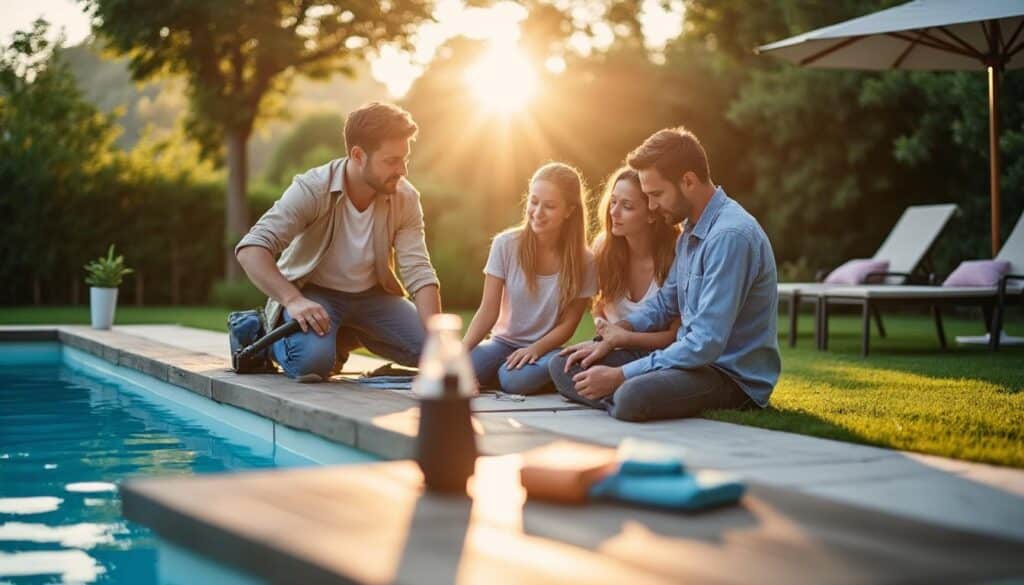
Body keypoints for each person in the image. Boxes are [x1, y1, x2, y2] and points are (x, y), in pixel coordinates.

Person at [550, 127, 781, 421]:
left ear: (688, 181)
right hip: (687, 362)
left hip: (727, 374)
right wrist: (618, 334)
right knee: (565, 365)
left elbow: (705, 344)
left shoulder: (729, 236)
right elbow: (665, 305)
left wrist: (621, 374)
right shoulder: (689, 231)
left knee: (631, 394)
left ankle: (625, 399)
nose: (652, 205)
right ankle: (623, 399)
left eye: (656, 194)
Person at [235, 102, 441, 382]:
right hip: (315, 294)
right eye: (391, 161)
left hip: (372, 298)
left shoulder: (405, 198)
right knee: (312, 363)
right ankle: (264, 335)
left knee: (438, 355)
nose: (402, 170)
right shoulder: (312, 189)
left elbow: (420, 272)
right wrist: (293, 300)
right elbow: (251, 249)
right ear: (358, 155)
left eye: (405, 159)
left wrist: (439, 345)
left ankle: (340, 337)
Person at [462, 162, 596, 395]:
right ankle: (505, 373)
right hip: (501, 343)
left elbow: (569, 323)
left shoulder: (585, 260)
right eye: (534, 202)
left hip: (546, 349)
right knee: (467, 365)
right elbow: (488, 310)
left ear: (569, 211)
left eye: (550, 206)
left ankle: (547, 368)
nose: (538, 212)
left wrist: (536, 348)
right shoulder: (505, 244)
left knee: (514, 381)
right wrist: (455, 360)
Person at [550, 166, 680, 385]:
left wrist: (624, 338)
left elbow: (675, 336)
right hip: (616, 350)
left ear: (651, 214)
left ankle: (624, 392)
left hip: (660, 355)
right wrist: (603, 331)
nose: (614, 212)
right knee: (561, 365)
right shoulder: (604, 248)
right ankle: (621, 392)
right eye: (613, 202)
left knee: (624, 390)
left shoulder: (675, 255)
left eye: (626, 206)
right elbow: (598, 306)